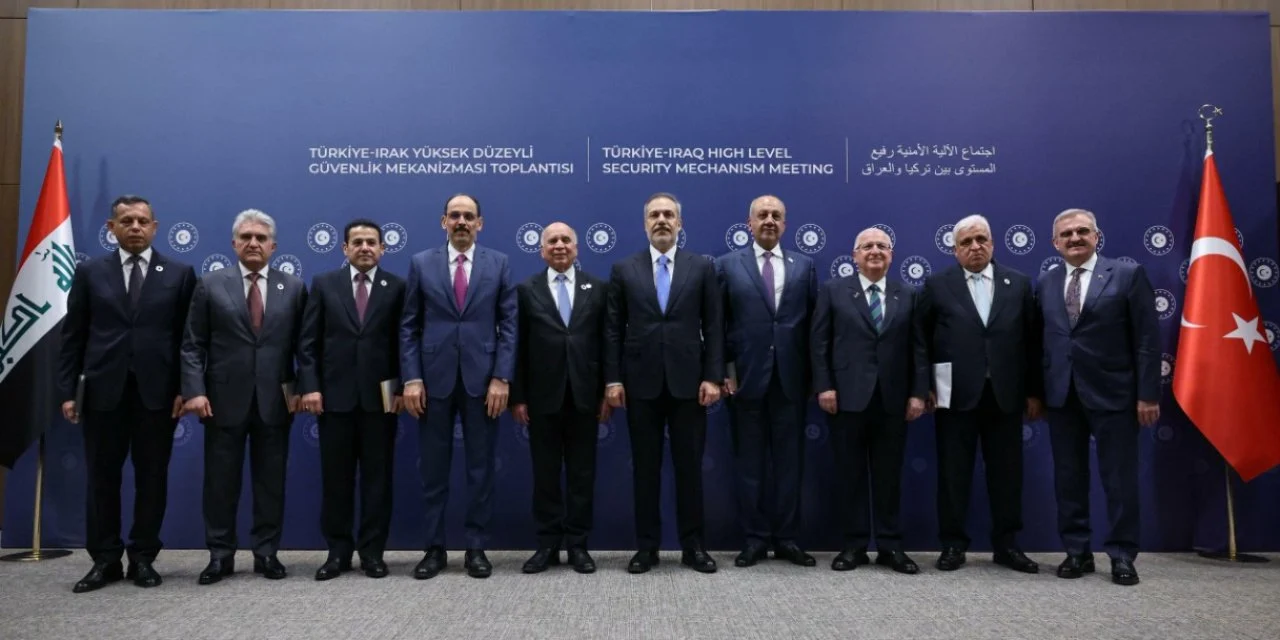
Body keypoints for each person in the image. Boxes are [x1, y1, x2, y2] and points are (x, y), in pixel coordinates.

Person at [58, 195, 196, 592]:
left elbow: (188, 340)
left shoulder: (180, 273)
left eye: (142, 221)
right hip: (103, 393)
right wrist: (68, 391)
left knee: (152, 478)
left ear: (155, 227)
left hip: (158, 395)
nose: (135, 227)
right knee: (102, 479)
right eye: (127, 221)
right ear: (111, 227)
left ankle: (143, 558)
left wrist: (185, 389)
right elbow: (73, 336)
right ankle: (105, 560)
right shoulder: (89, 272)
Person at [181, 209, 307, 585]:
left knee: (270, 483)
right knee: (220, 483)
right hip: (221, 401)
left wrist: (302, 389)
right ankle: (220, 555)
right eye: (246, 237)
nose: (254, 243)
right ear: (234, 243)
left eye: (261, 238)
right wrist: (194, 391)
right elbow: (192, 345)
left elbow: (306, 346)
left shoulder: (294, 287)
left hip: (276, 401)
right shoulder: (210, 285)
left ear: (274, 246)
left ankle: (266, 553)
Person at [1037, 208, 1160, 586]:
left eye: (1082, 231)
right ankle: (1077, 551)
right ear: (1055, 243)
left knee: (1119, 479)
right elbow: (1041, 341)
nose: (1075, 238)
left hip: (1115, 394)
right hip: (1062, 395)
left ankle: (1122, 554)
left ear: (1096, 236)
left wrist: (1147, 395)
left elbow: (1146, 339)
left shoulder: (1127, 275)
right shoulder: (1046, 281)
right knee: (1068, 479)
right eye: (1066, 234)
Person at [916, 214, 1041, 574]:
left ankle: (1007, 545)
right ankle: (953, 545)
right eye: (966, 242)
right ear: (955, 250)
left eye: (981, 239)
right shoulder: (937, 285)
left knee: (1007, 474)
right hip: (954, 395)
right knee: (953, 474)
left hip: (1006, 394)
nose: (975, 247)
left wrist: (1034, 392)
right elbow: (920, 340)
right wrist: (924, 386)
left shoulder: (1018, 284)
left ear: (992, 244)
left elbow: (1033, 342)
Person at [605, 192, 723, 574]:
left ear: (679, 223)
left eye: (668, 215)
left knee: (690, 469)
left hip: (690, 385)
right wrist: (613, 380)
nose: (661, 220)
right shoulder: (624, 269)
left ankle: (694, 547)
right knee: (645, 470)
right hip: (640, 385)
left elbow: (714, 326)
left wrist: (713, 376)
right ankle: (647, 548)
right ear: (645, 224)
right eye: (654, 215)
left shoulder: (701, 267)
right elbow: (612, 330)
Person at [400, 193, 517, 579]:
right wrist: (412, 378)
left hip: (483, 383)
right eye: (455, 216)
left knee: (480, 470)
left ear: (479, 223)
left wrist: (501, 377)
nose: (462, 222)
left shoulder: (499, 263)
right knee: (433, 471)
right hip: (432, 382)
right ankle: (434, 549)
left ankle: (476, 548)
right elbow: (409, 326)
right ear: (443, 222)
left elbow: (509, 325)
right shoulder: (421, 263)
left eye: (469, 216)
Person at [811, 227, 928, 574]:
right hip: (845, 399)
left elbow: (919, 349)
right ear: (855, 256)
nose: (875, 250)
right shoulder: (833, 291)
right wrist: (824, 386)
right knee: (850, 476)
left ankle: (891, 546)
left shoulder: (909, 294)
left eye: (882, 246)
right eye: (867, 246)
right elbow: (819, 342)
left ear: (891, 255)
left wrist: (918, 393)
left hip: (893, 400)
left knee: (889, 477)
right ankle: (854, 545)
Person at [297, 219, 405, 580]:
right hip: (334, 400)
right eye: (357, 242)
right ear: (344, 248)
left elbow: (404, 343)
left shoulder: (397, 287)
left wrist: (401, 389)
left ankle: (372, 553)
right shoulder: (324, 284)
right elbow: (308, 342)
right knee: (336, 481)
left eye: (371, 242)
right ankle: (337, 553)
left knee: (378, 481)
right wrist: (310, 386)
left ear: (382, 248)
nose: (364, 247)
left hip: (381, 401)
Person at [714, 195, 818, 568]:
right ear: (750, 223)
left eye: (776, 215)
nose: (769, 220)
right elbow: (717, 325)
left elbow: (815, 328)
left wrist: (815, 379)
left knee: (790, 466)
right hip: (745, 381)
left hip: (791, 381)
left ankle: (787, 538)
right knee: (749, 465)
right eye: (762, 215)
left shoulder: (805, 266)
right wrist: (724, 372)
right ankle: (755, 538)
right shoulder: (727, 265)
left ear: (785, 225)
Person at [511, 222, 610, 575]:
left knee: (582, 475)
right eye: (552, 240)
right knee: (545, 475)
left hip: (585, 396)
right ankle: (548, 545)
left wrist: (606, 391)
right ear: (541, 250)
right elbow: (517, 347)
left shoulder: (598, 288)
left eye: (566, 239)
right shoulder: (526, 290)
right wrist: (518, 397)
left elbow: (607, 343)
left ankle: (578, 545)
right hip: (542, 398)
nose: (559, 245)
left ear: (577, 247)